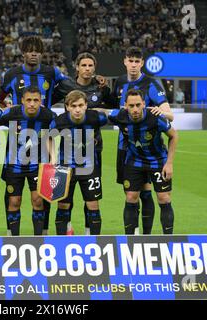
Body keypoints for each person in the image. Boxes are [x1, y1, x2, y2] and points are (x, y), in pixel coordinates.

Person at [0, 35, 69, 235]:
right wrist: (5, 108)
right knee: (13, 199)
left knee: (40, 197)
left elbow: (70, 88)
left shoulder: (52, 72)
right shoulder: (12, 74)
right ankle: (12, 236)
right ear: (23, 53)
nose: (33, 53)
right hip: (15, 144)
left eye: (37, 50)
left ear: (41, 53)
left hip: (43, 139)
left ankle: (41, 234)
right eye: (29, 50)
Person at [52, 52, 117, 235]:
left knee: (91, 197)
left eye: (90, 66)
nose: (87, 69)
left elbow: (115, 106)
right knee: (65, 199)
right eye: (84, 65)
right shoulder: (65, 85)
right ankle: (67, 228)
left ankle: (89, 233)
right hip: (67, 154)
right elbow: (48, 100)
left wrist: (100, 106)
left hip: (93, 150)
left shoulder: (100, 87)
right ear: (77, 67)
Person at [112, 46, 174, 235]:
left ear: (142, 63)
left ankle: (145, 237)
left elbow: (169, 115)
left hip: (147, 150)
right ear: (124, 61)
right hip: (125, 148)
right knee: (131, 194)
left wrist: (160, 111)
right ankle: (135, 234)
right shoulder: (120, 82)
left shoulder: (151, 84)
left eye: (137, 61)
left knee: (147, 194)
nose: (133, 65)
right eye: (130, 61)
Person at [104, 89, 178, 234]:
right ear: (125, 106)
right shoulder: (120, 115)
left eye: (138, 105)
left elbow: (174, 136)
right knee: (131, 197)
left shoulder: (156, 117)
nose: (135, 109)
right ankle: (130, 241)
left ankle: (168, 239)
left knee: (163, 198)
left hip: (157, 161)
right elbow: (102, 112)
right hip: (134, 161)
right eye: (131, 106)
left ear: (144, 104)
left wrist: (169, 163)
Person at [0, 86, 56, 236]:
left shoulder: (48, 116)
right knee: (14, 201)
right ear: (22, 101)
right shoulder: (11, 114)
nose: (32, 104)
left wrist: (53, 158)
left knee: (38, 201)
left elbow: (50, 135)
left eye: (35, 100)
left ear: (40, 101)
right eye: (28, 100)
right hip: (14, 165)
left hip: (37, 165)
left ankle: (38, 238)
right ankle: (13, 237)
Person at [49, 90, 107, 235]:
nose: (77, 109)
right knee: (63, 205)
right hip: (65, 168)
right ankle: (62, 241)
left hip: (89, 167)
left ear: (86, 105)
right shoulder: (59, 121)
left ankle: (94, 241)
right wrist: (52, 158)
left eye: (81, 105)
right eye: (73, 106)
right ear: (67, 107)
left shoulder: (96, 117)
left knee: (93, 204)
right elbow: (48, 137)